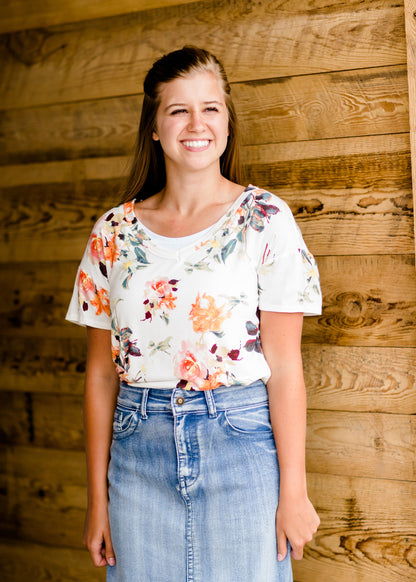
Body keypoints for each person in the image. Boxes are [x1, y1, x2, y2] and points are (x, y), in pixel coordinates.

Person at [66, 45, 322, 582]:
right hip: (137, 455)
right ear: (155, 127)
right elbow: (98, 375)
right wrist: (97, 498)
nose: (196, 123)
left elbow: (285, 366)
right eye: (178, 110)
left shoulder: (264, 219)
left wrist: (293, 491)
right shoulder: (113, 232)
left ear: (227, 122)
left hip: (242, 449)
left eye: (211, 108)